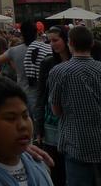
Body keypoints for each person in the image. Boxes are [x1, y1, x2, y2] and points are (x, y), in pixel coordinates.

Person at [48, 26, 101, 186]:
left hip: (77, 138)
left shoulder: (58, 71)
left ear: (70, 43)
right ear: (92, 44)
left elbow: (56, 110)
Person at [35, 26, 70, 186]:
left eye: (56, 40)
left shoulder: (76, 60)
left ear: (67, 39)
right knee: (56, 166)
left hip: (73, 118)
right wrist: (39, 126)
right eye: (50, 41)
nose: (53, 44)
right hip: (52, 120)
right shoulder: (48, 62)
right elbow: (41, 94)